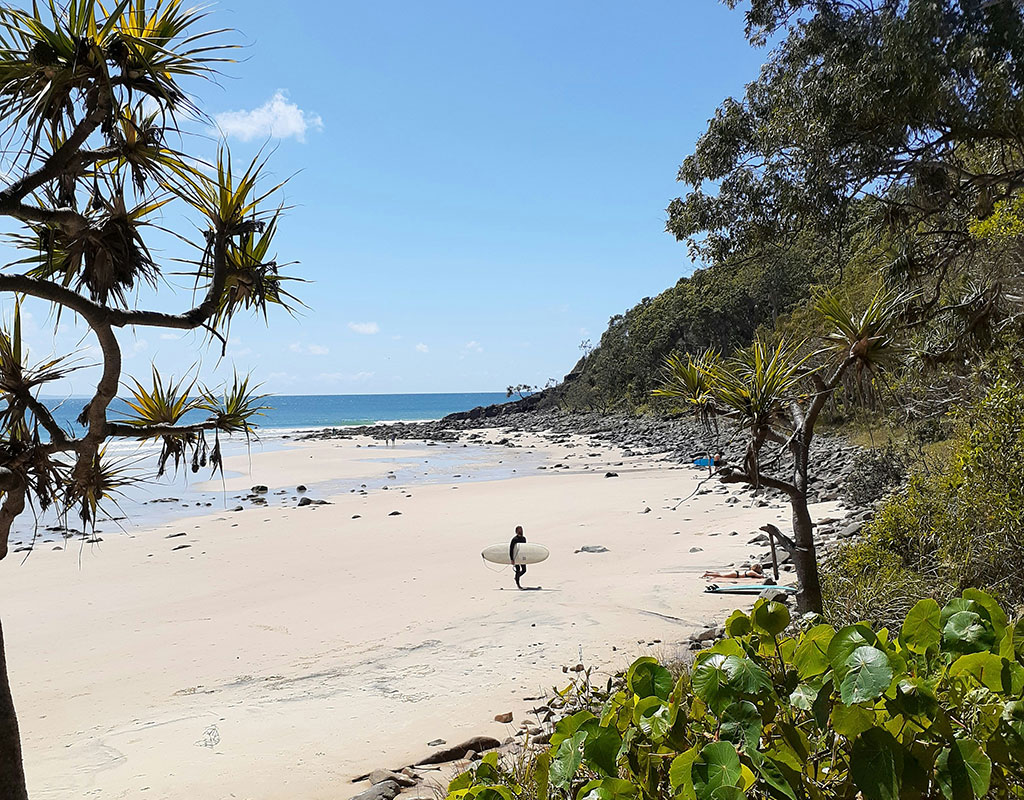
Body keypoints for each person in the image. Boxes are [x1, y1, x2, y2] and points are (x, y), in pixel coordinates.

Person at [509, 525, 527, 589]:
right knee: (518, 570)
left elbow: (525, 548)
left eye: (521, 530)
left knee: (524, 570)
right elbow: (511, 549)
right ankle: (518, 584)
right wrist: (512, 559)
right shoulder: (514, 539)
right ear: (516, 531)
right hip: (516, 557)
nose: (520, 531)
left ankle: (516, 577)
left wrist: (525, 557)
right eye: (519, 530)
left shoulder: (524, 539)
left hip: (522, 557)